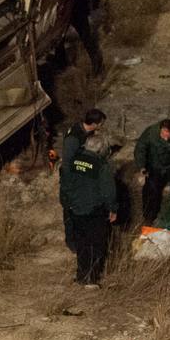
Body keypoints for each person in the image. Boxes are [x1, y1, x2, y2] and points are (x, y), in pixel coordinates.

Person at [61, 134, 117, 287]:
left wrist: (68, 204)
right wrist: (112, 208)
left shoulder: (72, 161)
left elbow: (65, 185)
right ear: (101, 149)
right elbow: (108, 191)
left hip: (75, 209)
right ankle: (91, 279)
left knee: (82, 243)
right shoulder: (101, 165)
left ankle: (81, 276)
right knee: (96, 244)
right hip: (94, 211)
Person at [59, 108, 107, 251]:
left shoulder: (87, 132)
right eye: (101, 123)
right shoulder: (74, 138)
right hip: (71, 178)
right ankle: (71, 242)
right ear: (95, 123)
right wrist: (68, 187)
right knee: (70, 210)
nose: (102, 125)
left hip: (81, 176)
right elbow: (67, 165)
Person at [134, 118, 170, 225]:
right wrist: (142, 166)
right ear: (160, 129)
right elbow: (140, 149)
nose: (165, 138)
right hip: (154, 165)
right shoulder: (151, 133)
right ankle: (149, 217)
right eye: (163, 134)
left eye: (168, 135)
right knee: (151, 190)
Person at [70, 0, 104, 75]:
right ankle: (60, 61)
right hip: (71, 9)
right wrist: (95, 4)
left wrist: (95, 4)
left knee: (86, 37)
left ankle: (97, 64)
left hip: (77, 9)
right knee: (60, 39)